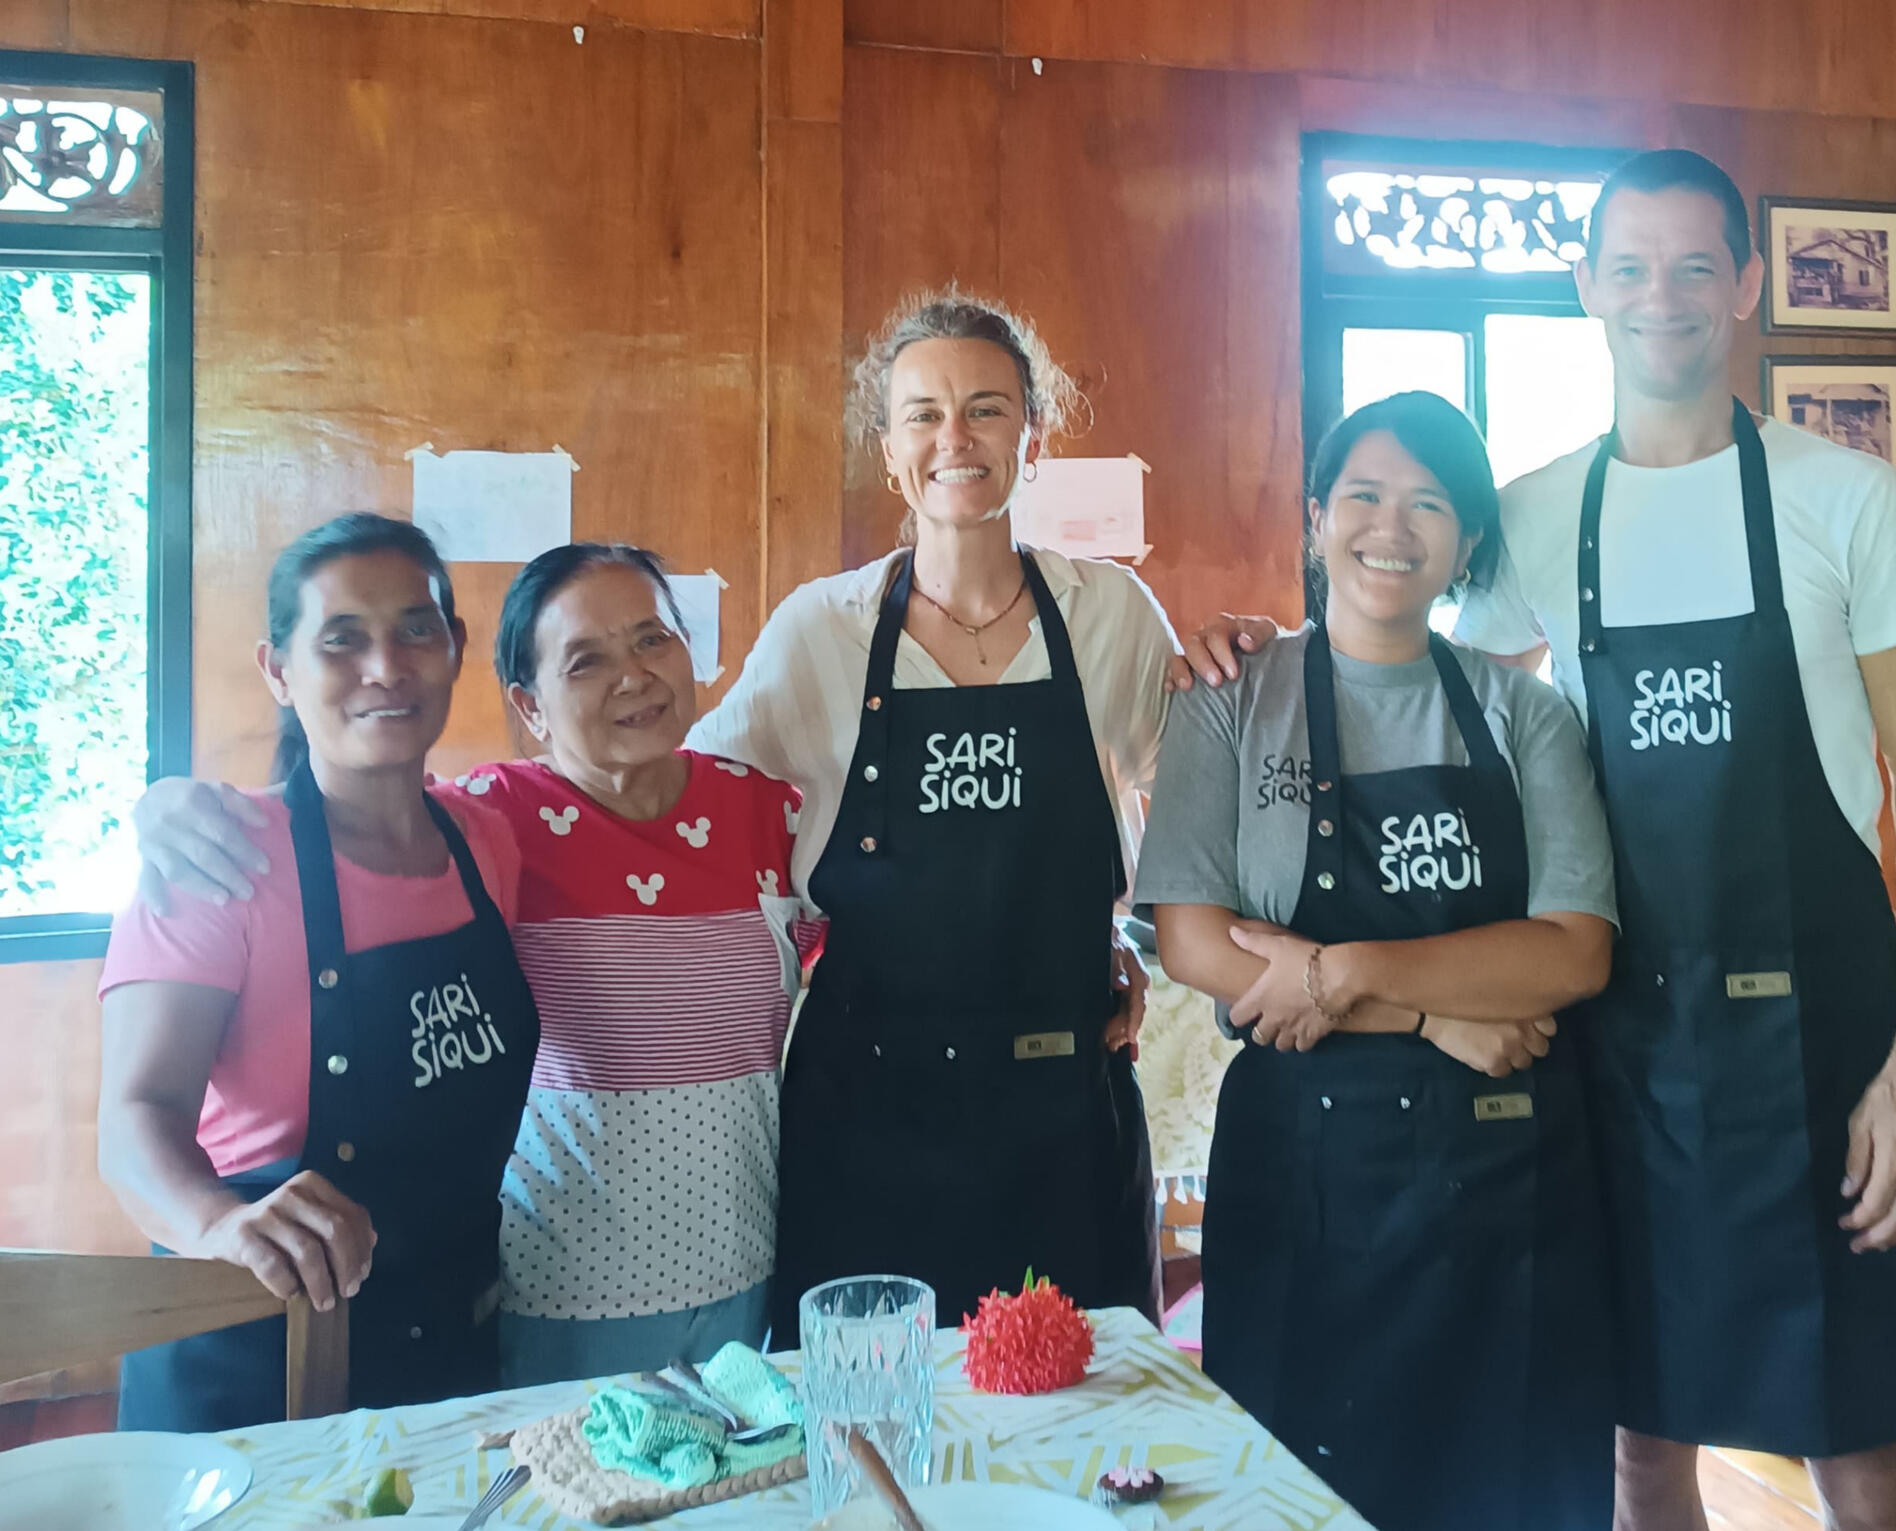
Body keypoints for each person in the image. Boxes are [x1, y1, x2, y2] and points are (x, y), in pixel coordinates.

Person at [1189, 150, 1896, 1531]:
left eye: (1692, 267)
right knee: (1635, 1438)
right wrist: (1269, 651)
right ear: (1588, 290)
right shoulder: (1542, 513)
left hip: (1827, 1035)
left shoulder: (1851, 498)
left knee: (1865, 1453)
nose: (1660, 295)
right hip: (1620, 1041)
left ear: (1744, 286)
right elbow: (1420, 683)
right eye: (1630, 266)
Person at [132, 543, 810, 1384]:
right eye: (586, 660)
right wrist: (163, 803)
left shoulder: (768, 808)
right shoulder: (497, 819)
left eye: (652, 639)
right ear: (529, 704)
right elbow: (361, 815)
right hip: (563, 1283)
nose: (632, 677)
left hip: (744, 1256)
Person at [1137, 393, 1617, 1530]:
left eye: (1429, 503)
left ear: (1467, 542)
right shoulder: (1229, 701)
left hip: (1508, 1181)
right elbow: (1194, 939)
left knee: (1512, 1485)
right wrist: (1430, 1013)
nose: (1389, 526)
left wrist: (1337, 972)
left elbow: (1573, 951)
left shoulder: (1522, 714)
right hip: (1302, 1171)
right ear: (1315, 519)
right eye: (1362, 495)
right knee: (1297, 1490)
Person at [694, 289, 1179, 1338]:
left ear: (1033, 438)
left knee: (1080, 1432)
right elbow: (691, 799)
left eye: (987, 409)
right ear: (888, 452)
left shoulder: (1109, 616)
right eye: (922, 413)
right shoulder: (821, 628)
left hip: (1063, 1107)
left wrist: (1129, 939)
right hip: (868, 1114)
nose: (954, 437)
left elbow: (1196, 810)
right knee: (874, 1427)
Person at [99, 514, 538, 1430]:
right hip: (256, 1346)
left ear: (456, 647)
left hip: (447, 1340)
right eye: (341, 639)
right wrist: (218, 1223)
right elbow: (135, 1117)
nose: (386, 666)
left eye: (417, 628)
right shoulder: (219, 860)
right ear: (278, 669)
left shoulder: (486, 839)